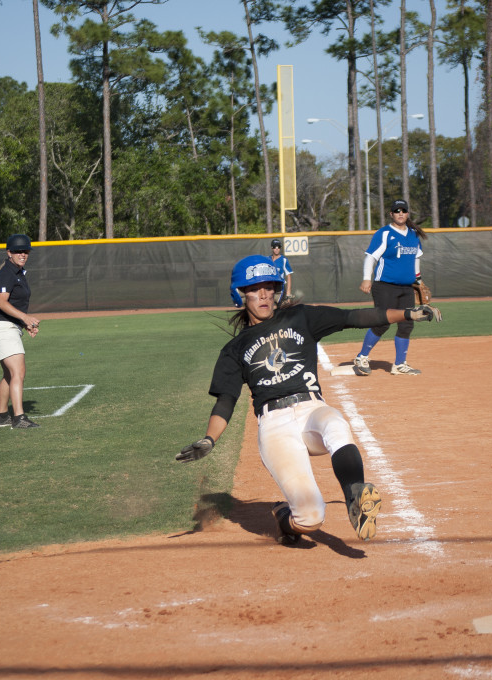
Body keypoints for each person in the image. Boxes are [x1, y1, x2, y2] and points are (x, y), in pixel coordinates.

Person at [175, 255, 440, 545]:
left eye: (269, 287)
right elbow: (225, 401)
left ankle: (355, 495)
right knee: (310, 518)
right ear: (240, 294)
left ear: (278, 290)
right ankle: (284, 519)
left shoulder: (300, 317)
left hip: (311, 409)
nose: (263, 295)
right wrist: (209, 440)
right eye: (254, 288)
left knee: (335, 422)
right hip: (275, 427)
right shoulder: (235, 348)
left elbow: (353, 317)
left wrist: (407, 314)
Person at [353, 198, 430, 376]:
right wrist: (366, 278)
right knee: (382, 322)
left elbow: (416, 258)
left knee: (407, 323)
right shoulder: (385, 233)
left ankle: (399, 364)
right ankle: (362, 357)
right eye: (397, 210)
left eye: (403, 210)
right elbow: (371, 257)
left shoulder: (413, 234)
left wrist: (418, 280)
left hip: (407, 287)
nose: (400, 213)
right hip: (385, 286)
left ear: (408, 213)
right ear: (391, 214)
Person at [0, 234, 42, 429]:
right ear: (8, 252)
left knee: (10, 375)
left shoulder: (18, 272)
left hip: (8, 327)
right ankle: (19, 418)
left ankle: (2, 417)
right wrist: (25, 318)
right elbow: (1, 303)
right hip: (3, 327)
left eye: (25, 251)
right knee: (19, 371)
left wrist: (25, 324)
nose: (22, 254)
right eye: (18, 251)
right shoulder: (7, 273)